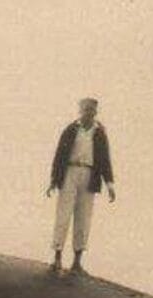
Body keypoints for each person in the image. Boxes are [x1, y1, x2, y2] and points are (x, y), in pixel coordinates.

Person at [46, 98, 116, 275]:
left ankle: (77, 262)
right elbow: (59, 155)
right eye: (86, 110)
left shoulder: (99, 133)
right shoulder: (70, 130)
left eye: (92, 110)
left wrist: (109, 183)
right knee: (63, 214)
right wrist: (54, 180)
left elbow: (104, 159)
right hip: (70, 171)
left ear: (96, 112)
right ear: (80, 110)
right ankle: (57, 258)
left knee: (83, 218)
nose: (89, 113)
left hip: (89, 175)